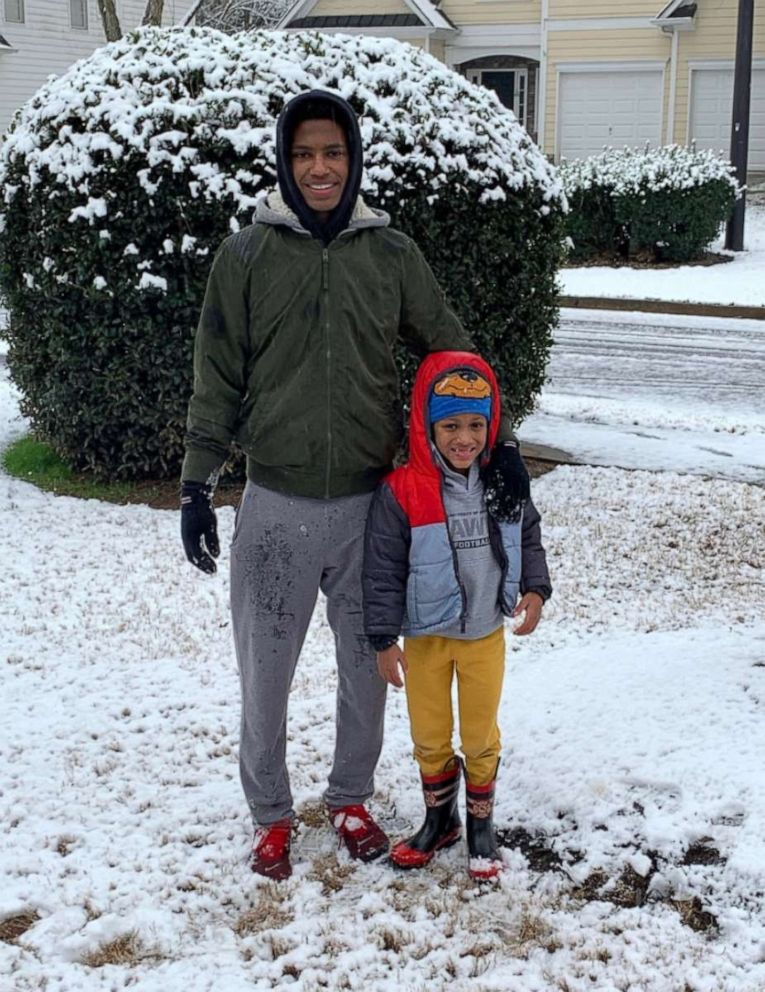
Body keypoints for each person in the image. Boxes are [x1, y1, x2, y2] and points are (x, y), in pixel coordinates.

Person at [180, 89, 530, 881]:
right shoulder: (246, 255)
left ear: (353, 159)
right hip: (275, 502)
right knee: (265, 671)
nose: (318, 168)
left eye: (332, 153)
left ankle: (349, 797)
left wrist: (497, 441)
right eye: (303, 154)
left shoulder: (391, 255)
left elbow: (449, 350)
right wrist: (197, 485)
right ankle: (270, 813)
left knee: (367, 668)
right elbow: (216, 373)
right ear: (284, 161)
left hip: (374, 509)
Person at [362, 350, 551, 881]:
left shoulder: (503, 481)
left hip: (483, 634)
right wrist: (382, 638)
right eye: (450, 425)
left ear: (491, 428)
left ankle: (481, 826)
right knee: (430, 731)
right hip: (425, 638)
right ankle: (438, 819)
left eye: (475, 425)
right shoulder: (401, 491)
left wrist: (535, 588)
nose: (463, 438)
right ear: (426, 425)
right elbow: (380, 569)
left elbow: (528, 534)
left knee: (479, 732)